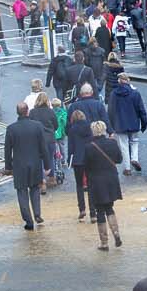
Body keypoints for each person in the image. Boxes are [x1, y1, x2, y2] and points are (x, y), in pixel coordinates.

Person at [4, 101, 50, 230]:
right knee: (35, 189)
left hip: (19, 165)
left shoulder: (11, 128)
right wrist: (47, 165)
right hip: (35, 163)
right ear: (27, 111)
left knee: (22, 192)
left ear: (17, 112)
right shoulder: (37, 126)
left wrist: (8, 167)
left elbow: (8, 150)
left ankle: (28, 221)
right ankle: (37, 214)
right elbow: (43, 147)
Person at [66, 82, 109, 221]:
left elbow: (69, 139)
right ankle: (93, 212)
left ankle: (82, 209)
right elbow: (105, 120)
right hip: (90, 155)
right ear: (91, 92)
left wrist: (69, 159)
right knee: (91, 184)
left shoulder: (73, 107)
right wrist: (111, 132)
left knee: (79, 185)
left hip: (77, 158)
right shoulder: (96, 109)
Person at [84, 120, 126, 251]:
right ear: (104, 130)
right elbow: (119, 160)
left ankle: (104, 242)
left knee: (100, 211)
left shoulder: (89, 147)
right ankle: (117, 234)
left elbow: (86, 166)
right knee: (110, 208)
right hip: (111, 180)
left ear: (93, 131)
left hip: (96, 182)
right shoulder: (112, 143)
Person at [108, 71, 147, 171]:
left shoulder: (114, 94)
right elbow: (141, 110)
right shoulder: (135, 93)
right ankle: (134, 158)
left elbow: (110, 111)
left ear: (119, 81)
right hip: (134, 122)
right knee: (134, 142)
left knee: (124, 146)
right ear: (128, 81)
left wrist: (111, 126)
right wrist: (144, 124)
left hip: (120, 124)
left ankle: (127, 168)